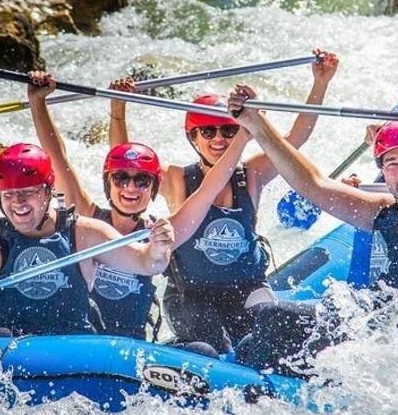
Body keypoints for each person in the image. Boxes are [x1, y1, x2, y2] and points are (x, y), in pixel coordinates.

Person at [227, 83, 398, 396]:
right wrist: (257, 123)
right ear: (383, 173)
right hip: (388, 336)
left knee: (273, 321)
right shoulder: (385, 210)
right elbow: (314, 184)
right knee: (258, 336)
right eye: (393, 164)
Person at [109, 50, 340, 354]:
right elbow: (126, 163)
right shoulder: (178, 179)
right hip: (191, 294)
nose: (219, 139)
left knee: (270, 328)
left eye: (228, 130)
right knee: (216, 347)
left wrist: (320, 82)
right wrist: (118, 109)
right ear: (193, 137)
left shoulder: (253, 172)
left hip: (246, 288)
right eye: (208, 131)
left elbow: (295, 139)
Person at [26, 71, 255, 344]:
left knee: (204, 350)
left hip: (131, 348)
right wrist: (37, 102)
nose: (131, 188)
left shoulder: (163, 231)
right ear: (108, 183)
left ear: (154, 189)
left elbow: (210, 186)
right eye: (121, 178)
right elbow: (57, 158)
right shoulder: (87, 219)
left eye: (142, 181)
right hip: (82, 341)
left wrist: (245, 132)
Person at [0, 144, 176, 338]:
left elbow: (146, 262)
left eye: (29, 193)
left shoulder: (86, 234)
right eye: (9, 195)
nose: (18, 203)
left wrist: (160, 247)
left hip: (71, 354)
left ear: (48, 191)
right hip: (3, 358)